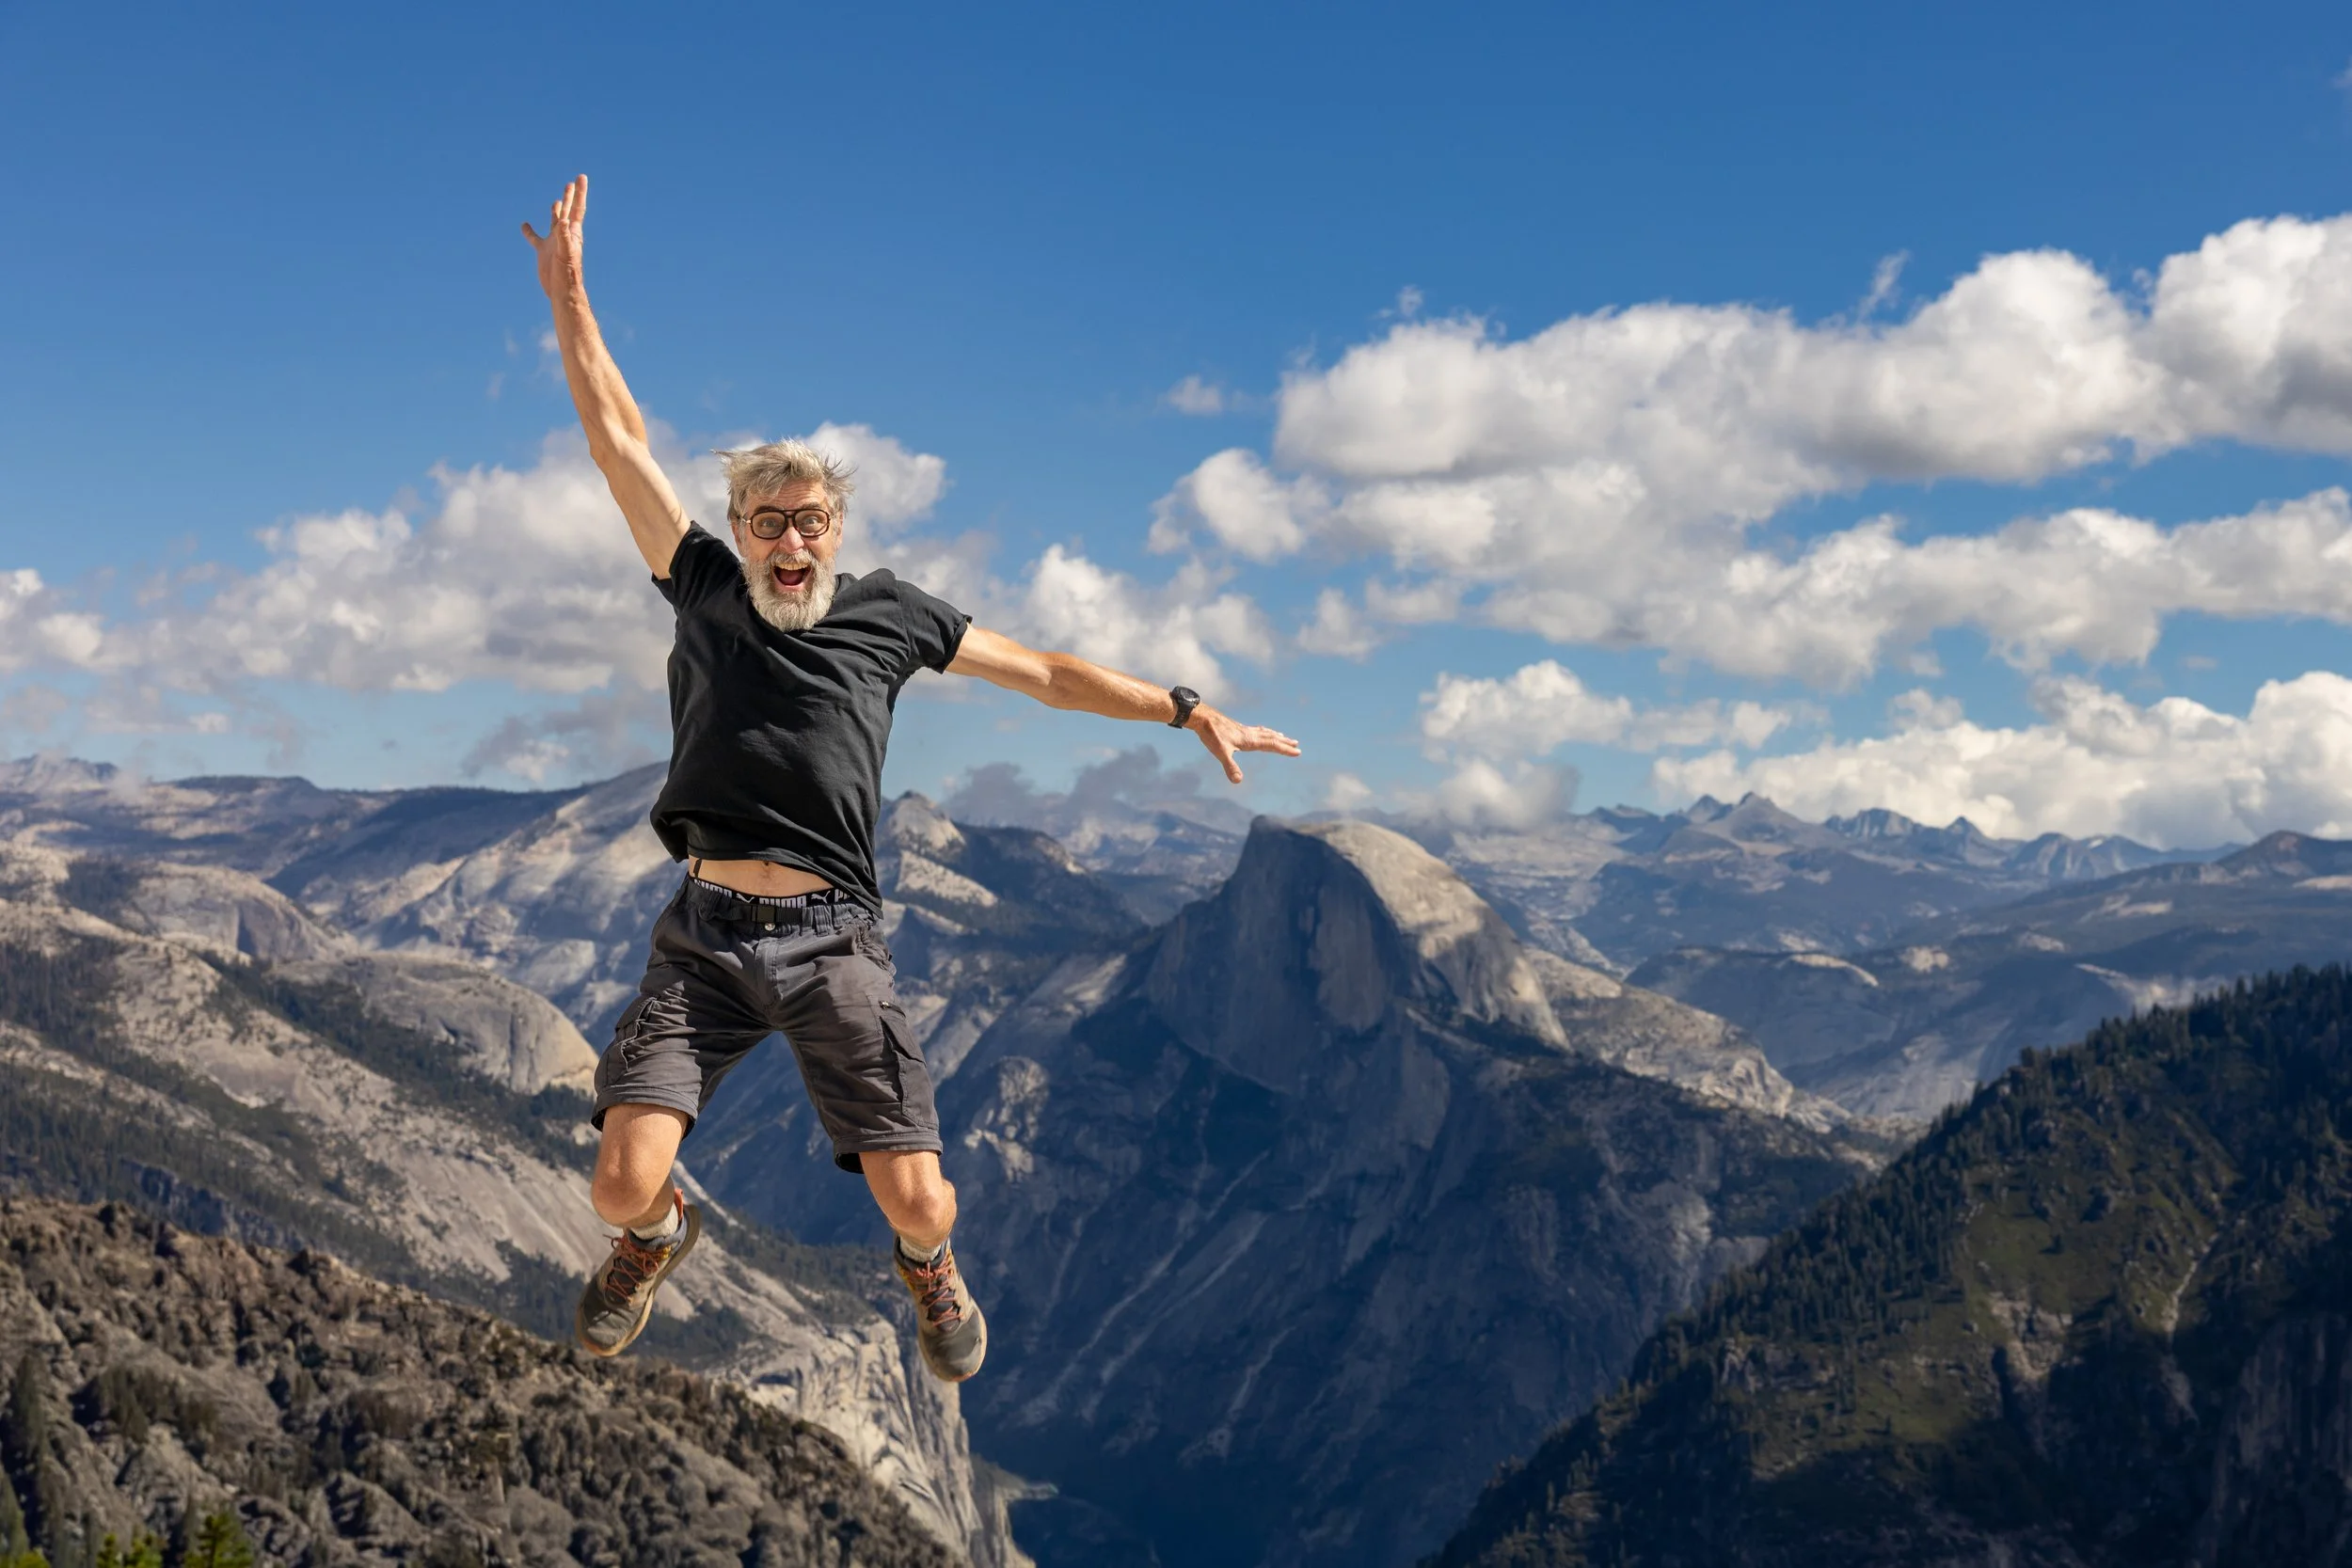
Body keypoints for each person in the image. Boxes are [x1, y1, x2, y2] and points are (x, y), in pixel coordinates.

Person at [520, 175, 1302, 1382]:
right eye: (768, 519)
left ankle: (930, 1272)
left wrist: (1184, 705)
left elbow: (1042, 670)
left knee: (923, 1203)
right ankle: (660, 1239)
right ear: (736, 526)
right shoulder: (702, 586)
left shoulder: (894, 614)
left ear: (838, 526)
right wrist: (572, 301)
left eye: (811, 518)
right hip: (707, 933)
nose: (791, 540)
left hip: (835, 940)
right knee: (618, 1176)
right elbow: (614, 434)